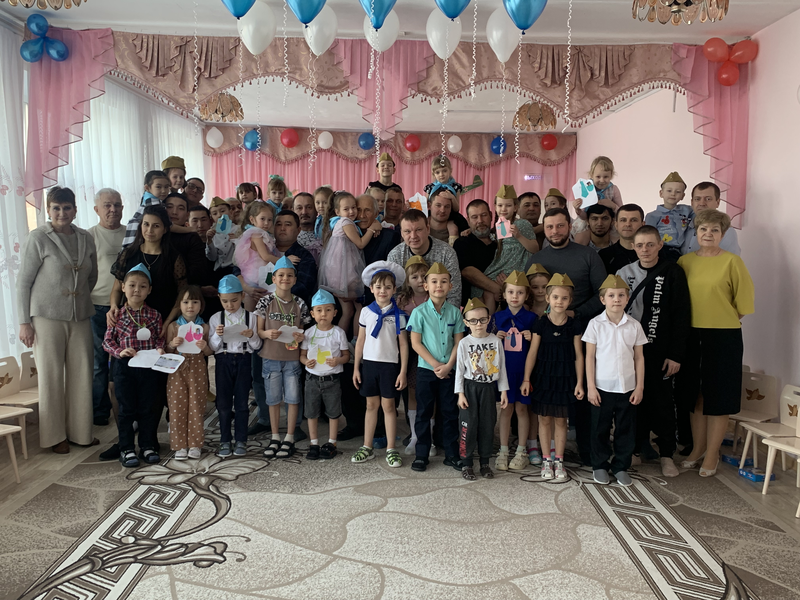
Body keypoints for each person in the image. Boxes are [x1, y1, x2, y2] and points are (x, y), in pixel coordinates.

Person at [17, 186, 98, 453]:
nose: (62, 213)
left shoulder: (85, 237)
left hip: (80, 315)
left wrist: (78, 298)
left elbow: (92, 277)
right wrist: (24, 322)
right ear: (49, 210)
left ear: (75, 209)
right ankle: (54, 437)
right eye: (56, 208)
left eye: (67, 207)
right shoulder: (38, 237)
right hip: (46, 317)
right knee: (51, 376)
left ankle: (81, 433)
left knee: (82, 374)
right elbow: (23, 283)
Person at [676, 209, 754, 477]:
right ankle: (697, 449)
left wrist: (719, 318)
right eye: (703, 229)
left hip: (723, 336)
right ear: (695, 232)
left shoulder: (732, 262)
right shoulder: (684, 262)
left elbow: (743, 304)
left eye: (714, 230)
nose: (708, 234)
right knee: (694, 394)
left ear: (723, 234)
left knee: (718, 396)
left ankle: (712, 453)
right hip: (690, 334)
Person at [618, 225, 691, 477]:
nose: (645, 250)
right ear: (633, 247)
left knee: (662, 403)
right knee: (632, 402)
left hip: (660, 350)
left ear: (660, 245)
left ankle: (666, 454)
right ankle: (635, 449)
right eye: (640, 245)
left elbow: (681, 315)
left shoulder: (672, 272)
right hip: (629, 351)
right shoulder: (623, 273)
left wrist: (676, 354)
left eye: (650, 244)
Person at [583, 275, 648, 486]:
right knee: (599, 428)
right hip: (602, 387)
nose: (616, 299)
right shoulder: (595, 325)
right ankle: (599, 465)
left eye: (621, 295)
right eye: (611, 295)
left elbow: (639, 358)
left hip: (627, 388)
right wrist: (590, 387)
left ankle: (621, 466)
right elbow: (589, 357)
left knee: (626, 429)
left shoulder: (634, 326)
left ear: (627, 299)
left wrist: (639, 387)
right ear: (603, 299)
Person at [521, 274, 585, 480]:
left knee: (561, 420)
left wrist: (580, 382)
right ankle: (546, 459)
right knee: (544, 419)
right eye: (555, 297)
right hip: (544, 377)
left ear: (570, 301)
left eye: (564, 298)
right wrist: (526, 379)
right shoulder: (540, 324)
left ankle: (559, 460)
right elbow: (532, 352)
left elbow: (579, 355)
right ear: (548, 298)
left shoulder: (574, 325)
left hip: (565, 378)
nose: (559, 301)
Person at [102, 264, 165, 467]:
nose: (137, 290)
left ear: (149, 290)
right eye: (132, 285)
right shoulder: (116, 315)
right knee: (126, 410)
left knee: (147, 408)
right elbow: (107, 341)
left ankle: (147, 446)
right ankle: (126, 448)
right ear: (123, 287)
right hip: (124, 368)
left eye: (142, 286)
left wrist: (160, 348)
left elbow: (159, 338)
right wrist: (119, 352)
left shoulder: (154, 315)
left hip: (148, 368)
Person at [407, 262, 465, 473]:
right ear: (426, 286)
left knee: (450, 412)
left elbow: (459, 342)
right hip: (426, 370)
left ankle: (451, 454)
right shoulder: (419, 312)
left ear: (450, 286)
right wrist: (435, 365)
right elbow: (415, 343)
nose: (438, 285)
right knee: (423, 412)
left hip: (449, 370)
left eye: (443, 281)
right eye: (434, 282)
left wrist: (448, 365)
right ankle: (421, 454)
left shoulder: (455, 313)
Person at [352, 262, 409, 467]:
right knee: (370, 405)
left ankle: (391, 449)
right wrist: (356, 367)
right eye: (378, 287)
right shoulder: (366, 312)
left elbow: (403, 345)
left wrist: (403, 371)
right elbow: (360, 341)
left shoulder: (399, 315)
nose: (382, 291)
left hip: (389, 367)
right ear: (371, 288)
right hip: (369, 365)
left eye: (387, 287)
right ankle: (367, 446)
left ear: (394, 289)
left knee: (389, 406)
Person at [256, 256, 312, 459]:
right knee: (272, 399)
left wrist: (300, 336)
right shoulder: (266, 301)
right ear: (274, 278)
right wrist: (266, 334)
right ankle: (274, 436)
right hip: (270, 357)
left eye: (289, 275)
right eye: (281, 275)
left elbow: (302, 331)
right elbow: (259, 331)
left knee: (293, 397)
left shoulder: (299, 303)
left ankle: (289, 436)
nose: (285, 279)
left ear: (295, 280)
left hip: (292, 358)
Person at [456, 298, 509, 480]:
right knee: (468, 426)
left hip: (488, 389)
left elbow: (501, 368)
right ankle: (467, 463)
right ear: (466, 322)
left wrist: (503, 391)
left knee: (487, 425)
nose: (478, 324)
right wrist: (460, 393)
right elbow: (460, 371)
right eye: (473, 320)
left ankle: (485, 463)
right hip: (470, 388)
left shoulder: (495, 341)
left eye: (482, 319)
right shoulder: (464, 343)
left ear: (489, 319)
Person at [488, 271, 536, 471]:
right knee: (506, 409)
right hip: (504, 372)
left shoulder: (532, 318)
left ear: (526, 295)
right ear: (504, 295)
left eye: (520, 292)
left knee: (522, 409)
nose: (515, 296)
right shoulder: (496, 318)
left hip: (523, 373)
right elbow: (486, 347)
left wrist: (532, 337)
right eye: (511, 292)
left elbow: (538, 348)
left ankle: (522, 451)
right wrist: (494, 337)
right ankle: (503, 450)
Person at [209, 275, 261, 457]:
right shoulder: (216, 318)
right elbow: (212, 347)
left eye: (234, 300)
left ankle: (241, 440)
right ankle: (225, 440)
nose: (230, 305)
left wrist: (251, 336)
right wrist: (217, 335)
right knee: (223, 403)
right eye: (225, 301)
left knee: (241, 402)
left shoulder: (250, 317)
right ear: (219, 298)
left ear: (242, 296)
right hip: (223, 360)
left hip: (244, 360)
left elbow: (257, 346)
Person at [524, 208, 606, 323]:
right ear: (544, 229)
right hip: (542, 325)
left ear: (570, 226)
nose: (555, 231)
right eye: (549, 227)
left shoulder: (588, 255)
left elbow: (603, 293)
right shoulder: (535, 260)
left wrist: (575, 313)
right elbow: (525, 295)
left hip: (583, 324)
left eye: (560, 226)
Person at [318, 191, 382, 336]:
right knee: (358, 308)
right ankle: (354, 339)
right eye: (346, 209)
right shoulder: (346, 222)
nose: (352, 211)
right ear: (337, 211)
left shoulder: (341, 222)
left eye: (354, 207)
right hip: (344, 274)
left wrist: (377, 223)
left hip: (338, 273)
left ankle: (341, 339)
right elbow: (360, 243)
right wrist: (372, 229)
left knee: (348, 311)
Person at [111, 204, 187, 323]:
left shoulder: (174, 258)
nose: (150, 230)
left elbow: (181, 295)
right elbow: (117, 288)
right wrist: (114, 307)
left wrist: (167, 323)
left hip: (163, 320)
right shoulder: (128, 254)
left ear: (165, 229)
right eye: (146, 224)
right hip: (131, 321)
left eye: (156, 226)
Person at [88, 188, 125, 427]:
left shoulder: (131, 233)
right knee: (98, 362)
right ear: (97, 209)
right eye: (107, 205)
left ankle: (126, 408)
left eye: (117, 205)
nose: (113, 210)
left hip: (124, 307)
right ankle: (100, 411)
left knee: (124, 360)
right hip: (95, 307)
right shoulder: (88, 236)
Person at [300, 289, 350, 461]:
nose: (323, 314)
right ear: (312, 313)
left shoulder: (338, 333)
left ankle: (331, 442)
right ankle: (313, 443)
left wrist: (338, 361)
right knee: (311, 412)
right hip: (312, 379)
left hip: (332, 379)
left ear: (335, 313)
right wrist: (306, 362)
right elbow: (302, 355)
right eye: (319, 310)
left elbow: (346, 355)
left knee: (333, 412)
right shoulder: (308, 333)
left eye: (328, 310)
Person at [165, 286, 212, 460]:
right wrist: (172, 344)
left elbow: (210, 352)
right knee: (177, 405)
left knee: (196, 405)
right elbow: (166, 351)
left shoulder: (204, 327)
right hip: (177, 369)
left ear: (201, 305)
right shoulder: (173, 326)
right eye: (185, 302)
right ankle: (179, 446)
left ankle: (195, 444)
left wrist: (205, 347)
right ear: (179, 305)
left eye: (194, 302)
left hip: (198, 369)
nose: (190, 306)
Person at [475, 185, 539, 313]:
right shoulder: (498, 226)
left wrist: (519, 236)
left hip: (516, 267)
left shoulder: (522, 224)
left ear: (515, 207)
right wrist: (468, 231)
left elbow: (535, 249)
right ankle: (488, 321)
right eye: (500, 205)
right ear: (495, 207)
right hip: (500, 266)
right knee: (482, 289)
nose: (503, 209)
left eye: (508, 205)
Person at [388, 209, 462, 308]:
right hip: (404, 312)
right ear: (402, 233)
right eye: (407, 231)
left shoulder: (446, 253)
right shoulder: (395, 256)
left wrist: (444, 316)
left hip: (440, 312)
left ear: (428, 228)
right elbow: (392, 293)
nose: (413, 236)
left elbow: (454, 293)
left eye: (418, 230)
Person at [395, 256, 429, 454]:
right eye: (414, 277)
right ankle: (415, 435)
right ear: (407, 281)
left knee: (427, 393)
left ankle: (428, 436)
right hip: (407, 351)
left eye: (424, 276)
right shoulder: (402, 301)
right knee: (411, 392)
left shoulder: (433, 298)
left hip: (428, 351)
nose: (420, 280)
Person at [234, 201, 284, 310]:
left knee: (258, 311)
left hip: (260, 275)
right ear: (252, 220)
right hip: (255, 276)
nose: (266, 223)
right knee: (252, 311)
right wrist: (284, 261)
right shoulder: (257, 234)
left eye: (269, 220)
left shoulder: (263, 234)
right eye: (262, 219)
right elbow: (265, 256)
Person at [454, 200, 499, 308]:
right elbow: (467, 272)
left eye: (484, 215)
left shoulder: (501, 241)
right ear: (468, 220)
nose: (480, 221)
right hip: (474, 309)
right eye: (474, 217)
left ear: (491, 216)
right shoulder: (462, 243)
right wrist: (499, 289)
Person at [681, 182, 741, 255]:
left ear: (717, 202)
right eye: (697, 199)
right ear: (692, 202)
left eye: (708, 199)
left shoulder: (726, 231)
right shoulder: (682, 224)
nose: (702, 203)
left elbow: (729, 260)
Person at [274, 210, 318, 306]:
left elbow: (303, 288)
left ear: (298, 230)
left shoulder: (304, 256)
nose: (282, 228)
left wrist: (272, 296)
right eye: (278, 224)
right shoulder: (265, 252)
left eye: (288, 225)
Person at [644, 172, 693, 258]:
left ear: (683, 196)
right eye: (669, 191)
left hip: (680, 251)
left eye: (678, 192)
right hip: (661, 250)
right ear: (661, 193)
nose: (673, 194)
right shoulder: (652, 216)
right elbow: (648, 236)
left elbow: (700, 213)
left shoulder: (687, 210)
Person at [573, 156, 623, 222]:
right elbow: (584, 217)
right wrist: (578, 210)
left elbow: (622, 213)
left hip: (607, 222)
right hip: (588, 222)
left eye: (606, 177)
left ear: (611, 176)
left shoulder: (613, 189)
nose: (602, 180)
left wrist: (612, 205)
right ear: (591, 175)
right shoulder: (586, 189)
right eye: (598, 177)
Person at [598, 204, 645, 275]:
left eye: (633, 220)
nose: (628, 224)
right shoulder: (604, 255)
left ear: (643, 225)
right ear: (616, 225)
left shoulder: (654, 253)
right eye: (623, 220)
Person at [360, 194, 402, 266]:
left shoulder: (389, 237)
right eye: (359, 210)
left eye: (367, 210)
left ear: (376, 214)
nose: (362, 215)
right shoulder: (348, 235)